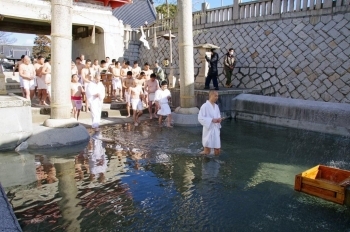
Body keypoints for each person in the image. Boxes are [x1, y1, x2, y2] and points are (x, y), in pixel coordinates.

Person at [198, 90, 222, 155]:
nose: (217, 97)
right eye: (215, 96)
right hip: (208, 129)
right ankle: (201, 158)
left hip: (216, 129)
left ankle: (216, 163)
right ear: (211, 95)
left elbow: (218, 115)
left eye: (217, 96)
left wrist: (219, 119)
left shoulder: (216, 106)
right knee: (207, 150)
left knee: (217, 150)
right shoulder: (205, 106)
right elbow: (200, 118)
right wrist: (211, 120)